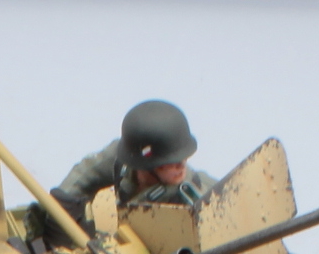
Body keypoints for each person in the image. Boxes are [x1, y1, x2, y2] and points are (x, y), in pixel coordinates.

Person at [49, 99, 223, 233]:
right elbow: (86, 172)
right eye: (168, 163)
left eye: (183, 158)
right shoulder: (122, 159)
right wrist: (62, 206)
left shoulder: (193, 198)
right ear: (146, 165)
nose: (181, 166)